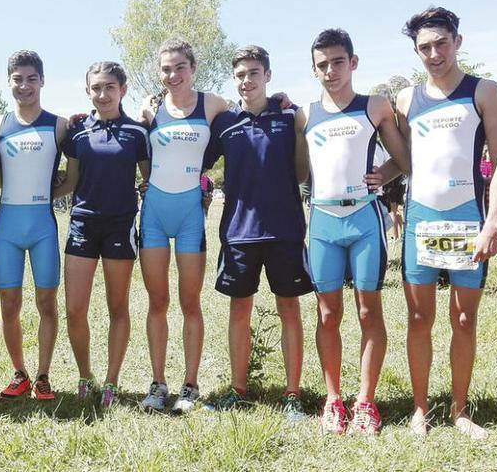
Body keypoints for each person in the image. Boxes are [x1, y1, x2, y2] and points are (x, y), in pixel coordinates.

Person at [397, 7, 497, 439]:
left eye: (441, 43)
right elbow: (404, 157)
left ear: (457, 42)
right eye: (424, 47)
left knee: (464, 320)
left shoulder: (484, 91)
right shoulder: (407, 99)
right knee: (419, 317)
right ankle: (420, 409)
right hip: (421, 220)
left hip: (467, 219)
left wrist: (494, 222)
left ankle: (460, 411)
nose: (433, 53)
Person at [302, 29, 409, 435]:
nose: (331, 71)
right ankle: (333, 399)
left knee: (368, 312)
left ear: (353, 62)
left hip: (365, 220)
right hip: (323, 222)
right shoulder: (305, 114)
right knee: (328, 314)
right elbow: (298, 168)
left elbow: (404, 159)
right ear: (314, 69)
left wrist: (384, 172)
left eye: (338, 62)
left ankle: (365, 400)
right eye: (322, 65)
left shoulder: (375, 106)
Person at [202, 45, 312, 420]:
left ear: (267, 75)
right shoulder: (224, 123)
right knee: (239, 311)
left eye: (253, 73)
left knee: (289, 310)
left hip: (285, 231)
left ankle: (293, 393)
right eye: (240, 75)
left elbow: (302, 172)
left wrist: (295, 112)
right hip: (238, 233)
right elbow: (193, 158)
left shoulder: (289, 117)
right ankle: (238, 389)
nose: (246, 81)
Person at [136, 38, 229, 413]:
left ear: (193, 68)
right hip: (155, 214)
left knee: (191, 303)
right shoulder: (150, 107)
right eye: (166, 69)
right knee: (158, 302)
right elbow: (136, 147)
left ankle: (189, 386)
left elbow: (249, 114)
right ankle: (158, 385)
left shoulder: (214, 104)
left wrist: (281, 102)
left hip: (191, 215)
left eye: (179, 67)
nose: (172, 75)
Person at [53, 61, 150, 407]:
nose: (103, 94)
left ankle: (111, 381)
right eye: (96, 88)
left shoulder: (138, 133)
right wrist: (34, 198)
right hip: (82, 224)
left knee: (117, 306)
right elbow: (71, 181)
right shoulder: (77, 133)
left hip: (120, 226)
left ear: (122, 89)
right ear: (87, 91)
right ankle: (85, 376)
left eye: (110, 87)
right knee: (75, 309)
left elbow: (149, 179)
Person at [0, 50, 68, 400]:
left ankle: (43, 375)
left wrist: (50, 193)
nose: (24, 86)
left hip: (42, 226)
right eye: (17, 79)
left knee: (47, 303)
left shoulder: (59, 125)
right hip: (6, 224)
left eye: (31, 78)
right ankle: (19, 372)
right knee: (9, 305)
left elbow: (75, 177)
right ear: (9, 82)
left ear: (42, 81)